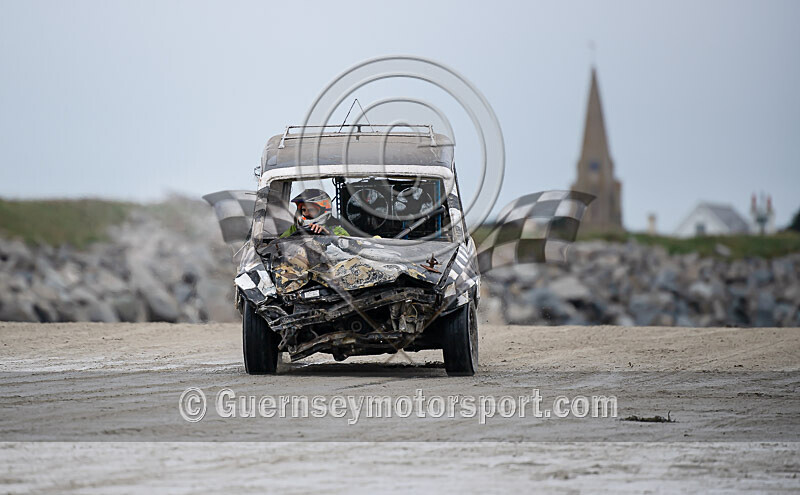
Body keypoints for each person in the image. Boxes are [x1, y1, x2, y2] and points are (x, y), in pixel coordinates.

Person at [279, 189, 349, 238]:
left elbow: (353, 247)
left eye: (311, 210)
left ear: (323, 210)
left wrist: (330, 235)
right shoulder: (294, 229)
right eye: (303, 210)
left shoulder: (337, 230)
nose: (305, 213)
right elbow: (278, 245)